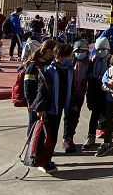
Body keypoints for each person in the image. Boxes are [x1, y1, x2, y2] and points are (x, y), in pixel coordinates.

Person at [29, 43, 74, 174]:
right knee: (48, 137)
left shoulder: (69, 69)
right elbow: (42, 90)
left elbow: (71, 88)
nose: (70, 58)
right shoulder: (48, 70)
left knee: (53, 136)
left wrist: (73, 104)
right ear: (59, 56)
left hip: (61, 107)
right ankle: (43, 161)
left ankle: (46, 159)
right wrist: (40, 107)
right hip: (49, 108)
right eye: (68, 56)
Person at [23, 39, 58, 134]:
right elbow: (28, 86)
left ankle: (43, 146)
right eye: (54, 52)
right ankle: (33, 146)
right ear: (48, 51)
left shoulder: (50, 63)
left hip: (47, 100)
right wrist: (31, 103)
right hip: (35, 101)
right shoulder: (33, 66)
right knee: (34, 125)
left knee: (46, 127)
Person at [82, 36, 111, 150]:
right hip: (94, 90)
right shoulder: (93, 61)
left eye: (103, 49)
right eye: (98, 49)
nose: (101, 51)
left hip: (106, 91)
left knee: (107, 115)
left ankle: (107, 138)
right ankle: (91, 136)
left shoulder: (111, 60)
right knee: (94, 115)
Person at [62, 39, 90, 154]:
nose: (80, 53)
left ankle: (69, 137)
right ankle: (65, 138)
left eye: (83, 51)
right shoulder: (67, 63)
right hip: (67, 93)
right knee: (66, 117)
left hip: (79, 94)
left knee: (73, 116)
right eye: (78, 51)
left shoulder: (89, 63)